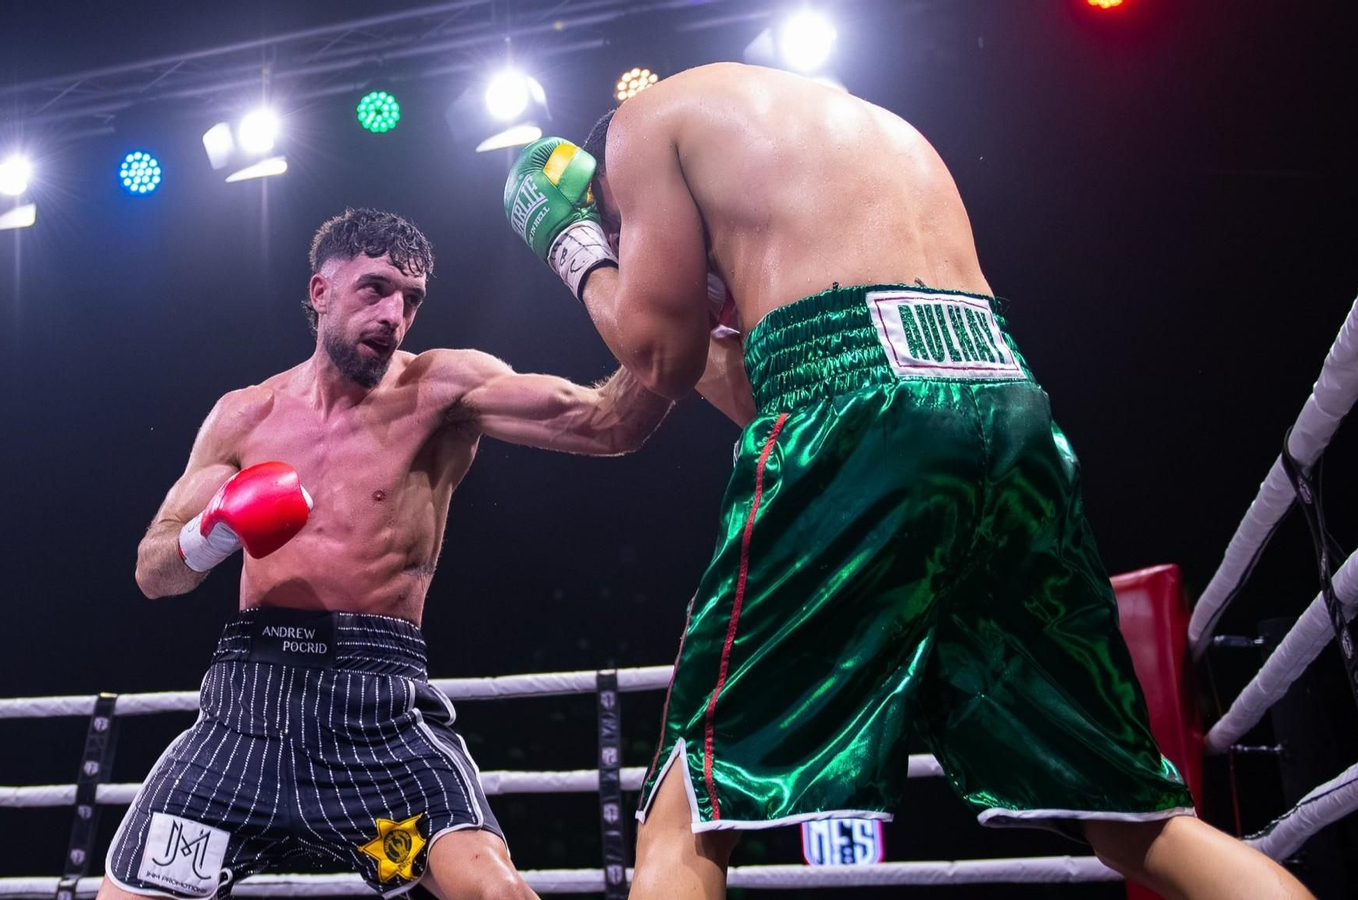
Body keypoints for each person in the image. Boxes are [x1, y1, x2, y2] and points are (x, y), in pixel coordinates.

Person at [502, 63, 1312, 900]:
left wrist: (578, 249)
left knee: (688, 814)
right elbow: (767, 391)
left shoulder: (641, 127)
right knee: (1132, 818)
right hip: (1007, 406)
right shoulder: (846, 133)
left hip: (857, 403)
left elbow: (660, 357)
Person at [101, 208, 672, 900]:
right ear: (320, 292)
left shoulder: (442, 389)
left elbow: (610, 424)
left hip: (377, 724)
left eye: (411, 299)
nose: (394, 316)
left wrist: (675, 312)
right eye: (374, 289)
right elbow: (154, 573)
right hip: (245, 720)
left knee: (493, 893)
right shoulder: (244, 415)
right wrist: (215, 527)